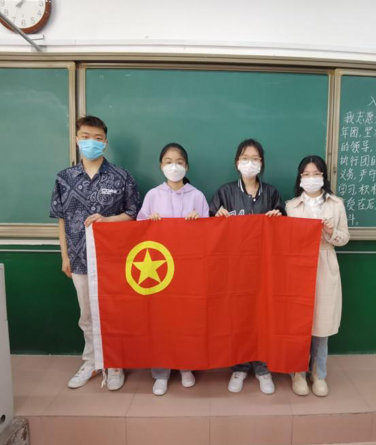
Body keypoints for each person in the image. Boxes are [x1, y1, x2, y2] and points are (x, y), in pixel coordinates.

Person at [50, 115, 141, 391]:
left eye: (98, 138)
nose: (92, 142)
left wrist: (108, 220)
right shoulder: (64, 178)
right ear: (77, 139)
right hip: (79, 259)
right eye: (86, 137)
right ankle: (91, 361)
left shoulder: (121, 176)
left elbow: (133, 214)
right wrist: (65, 256)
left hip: (114, 260)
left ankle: (115, 363)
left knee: (114, 313)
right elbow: (61, 220)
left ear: (106, 142)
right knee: (87, 315)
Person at [209, 138, 284, 395]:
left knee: (263, 317)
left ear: (262, 163)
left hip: (264, 269)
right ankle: (239, 368)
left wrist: (278, 218)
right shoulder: (225, 192)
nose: (249, 163)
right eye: (245, 158)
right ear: (236, 162)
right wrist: (217, 218)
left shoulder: (271, 193)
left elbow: (284, 230)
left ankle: (263, 368)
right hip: (234, 269)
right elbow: (208, 231)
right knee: (238, 317)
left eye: (255, 158)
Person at [137, 142, 209, 396]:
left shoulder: (197, 196)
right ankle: (161, 372)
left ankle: (186, 366)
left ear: (186, 166)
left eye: (179, 162)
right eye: (168, 162)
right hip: (160, 272)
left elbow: (209, 235)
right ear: (161, 166)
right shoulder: (152, 195)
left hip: (189, 270)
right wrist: (151, 223)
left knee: (187, 319)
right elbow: (139, 231)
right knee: (161, 321)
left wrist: (198, 223)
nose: (174, 166)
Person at [285, 155, 349, 397]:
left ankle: (318, 372)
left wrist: (331, 232)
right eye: (306, 174)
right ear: (300, 178)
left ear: (324, 176)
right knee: (298, 321)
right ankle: (298, 371)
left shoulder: (336, 204)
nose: (311, 178)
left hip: (325, 262)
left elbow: (345, 238)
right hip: (298, 266)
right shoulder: (291, 206)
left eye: (316, 174)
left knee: (322, 322)